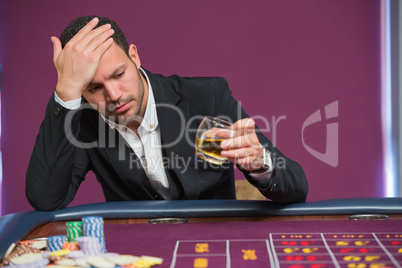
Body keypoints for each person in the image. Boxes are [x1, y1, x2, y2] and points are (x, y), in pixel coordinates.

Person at [26, 16, 308, 211]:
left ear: (134, 56)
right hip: (136, 252)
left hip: (211, 244)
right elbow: (45, 198)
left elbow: (297, 188)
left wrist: (261, 164)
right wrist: (65, 93)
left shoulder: (207, 97)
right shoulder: (83, 121)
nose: (113, 95)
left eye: (119, 74)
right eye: (94, 87)